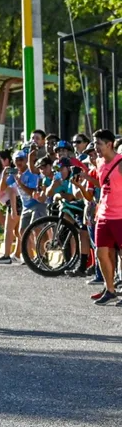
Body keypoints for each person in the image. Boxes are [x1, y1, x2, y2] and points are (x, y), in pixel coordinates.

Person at [90, 130, 122, 304]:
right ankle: (110, 290)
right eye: (95, 143)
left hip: (120, 215)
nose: (96, 147)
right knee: (101, 253)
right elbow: (103, 185)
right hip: (103, 215)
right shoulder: (100, 162)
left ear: (109, 144)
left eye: (99, 144)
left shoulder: (120, 163)